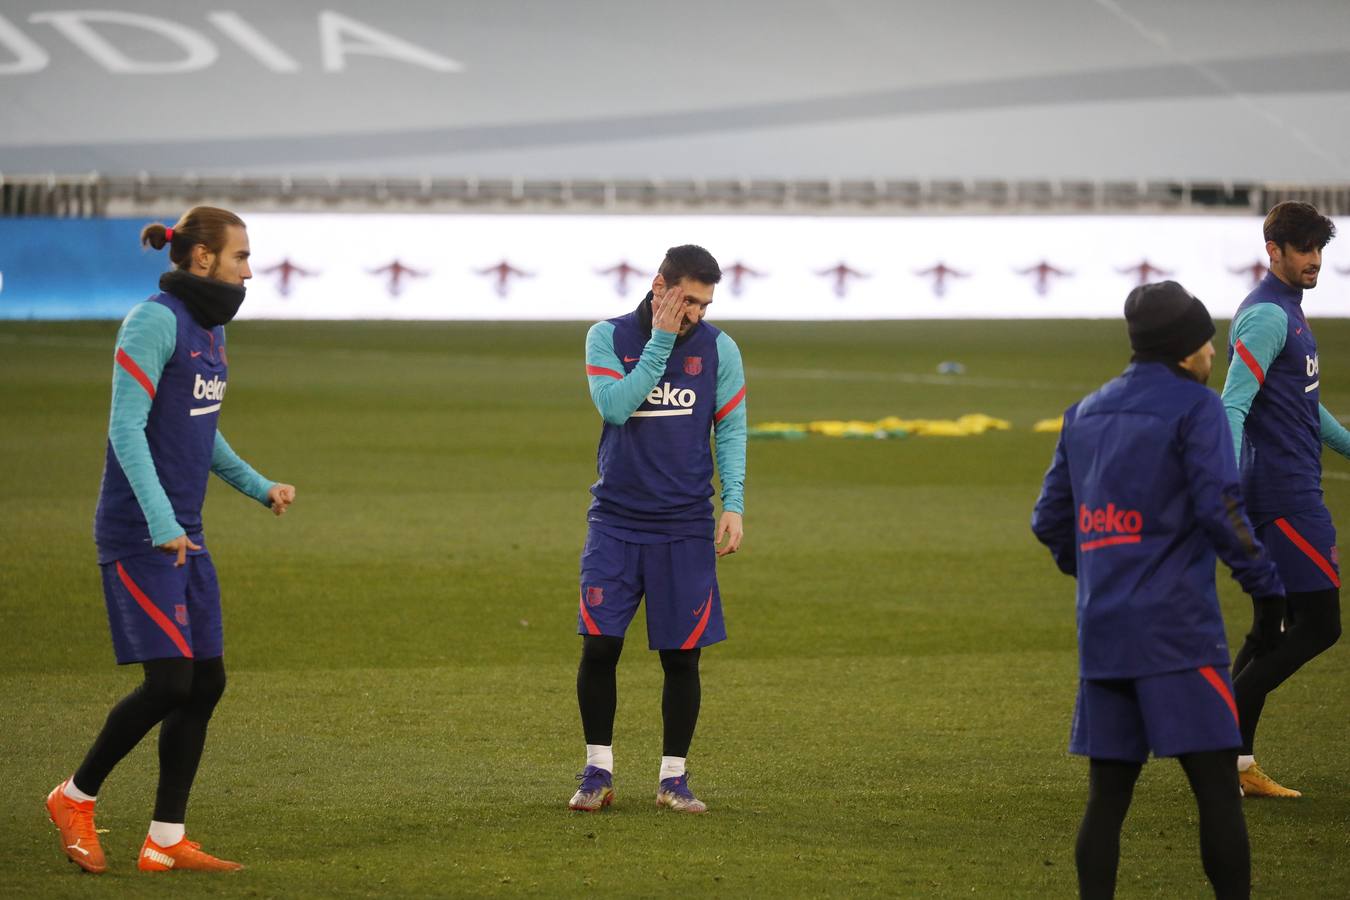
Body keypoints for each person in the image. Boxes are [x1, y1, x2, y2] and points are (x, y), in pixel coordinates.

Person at [45, 206, 296, 874]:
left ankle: (164, 838)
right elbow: (127, 429)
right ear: (203, 257)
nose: (250, 268)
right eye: (241, 256)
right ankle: (74, 797)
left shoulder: (211, 331)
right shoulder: (153, 320)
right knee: (169, 683)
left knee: (205, 682)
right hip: (142, 534)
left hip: (184, 534)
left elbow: (199, 429)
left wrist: (258, 485)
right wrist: (161, 525)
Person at [1032, 282, 1284, 899]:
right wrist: (1268, 591)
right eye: (1207, 341)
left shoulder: (1083, 412)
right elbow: (1221, 509)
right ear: (1184, 349)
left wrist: (1093, 571)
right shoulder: (1195, 408)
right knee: (1215, 789)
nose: (1212, 352)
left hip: (1105, 630)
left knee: (1108, 796)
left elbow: (1049, 521)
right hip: (1178, 634)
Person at [569, 244, 746, 814]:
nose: (696, 312)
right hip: (616, 523)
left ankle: (674, 778)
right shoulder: (606, 337)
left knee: (682, 656)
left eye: (704, 303)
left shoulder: (721, 350)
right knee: (601, 645)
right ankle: (597, 771)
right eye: (688, 299)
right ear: (659, 285)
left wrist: (734, 504)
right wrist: (661, 343)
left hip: (685, 526)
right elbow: (615, 408)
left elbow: (732, 431)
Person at [1221, 201, 1349, 798]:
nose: (1314, 261)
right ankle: (1214, 738)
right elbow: (1233, 404)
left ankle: (1236, 767)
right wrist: (1218, 483)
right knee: (1320, 625)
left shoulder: (1288, 313)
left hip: (1281, 492)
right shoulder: (1270, 317)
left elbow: (1301, 402)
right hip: (1284, 498)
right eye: (1303, 249)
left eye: (1320, 248)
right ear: (1273, 251)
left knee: (1269, 634)